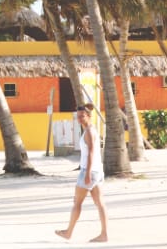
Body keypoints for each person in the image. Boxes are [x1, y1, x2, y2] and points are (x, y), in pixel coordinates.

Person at [56, 103, 108, 243]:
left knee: (77, 202)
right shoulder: (90, 130)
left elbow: (91, 152)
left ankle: (68, 232)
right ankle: (104, 234)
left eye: (82, 116)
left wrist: (87, 173)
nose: (79, 118)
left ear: (89, 116)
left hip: (89, 171)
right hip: (96, 170)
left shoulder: (90, 131)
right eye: (78, 116)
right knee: (99, 203)